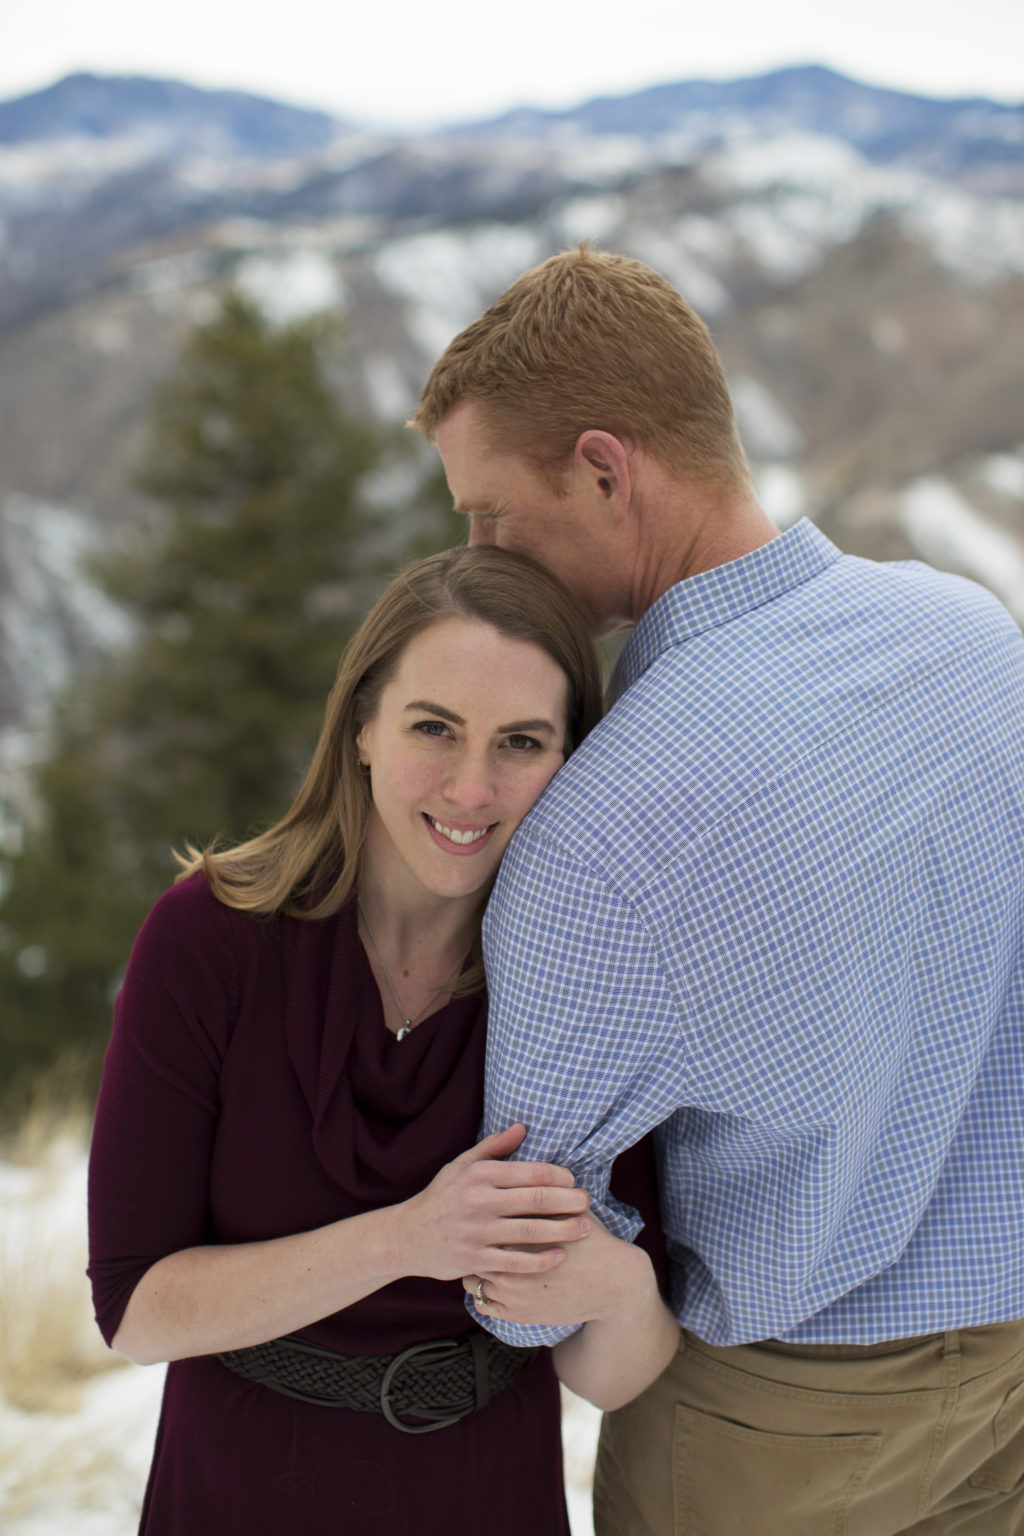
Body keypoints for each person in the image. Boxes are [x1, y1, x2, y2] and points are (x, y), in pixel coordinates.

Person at [413, 245, 1024, 1535]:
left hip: (780, 1426)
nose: (476, 547)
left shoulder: (598, 834)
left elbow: (541, 1266)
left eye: (486, 513)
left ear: (601, 468)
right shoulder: (979, 636)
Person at [87, 544, 678, 1536]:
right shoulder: (209, 940)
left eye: (522, 743)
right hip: (243, 1487)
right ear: (361, 725)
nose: (470, 788)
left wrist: (623, 1291)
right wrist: (408, 1238)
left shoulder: (591, 981)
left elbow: (608, 1375)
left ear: (573, 761)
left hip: (487, 1487)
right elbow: (138, 1310)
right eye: (433, 729)